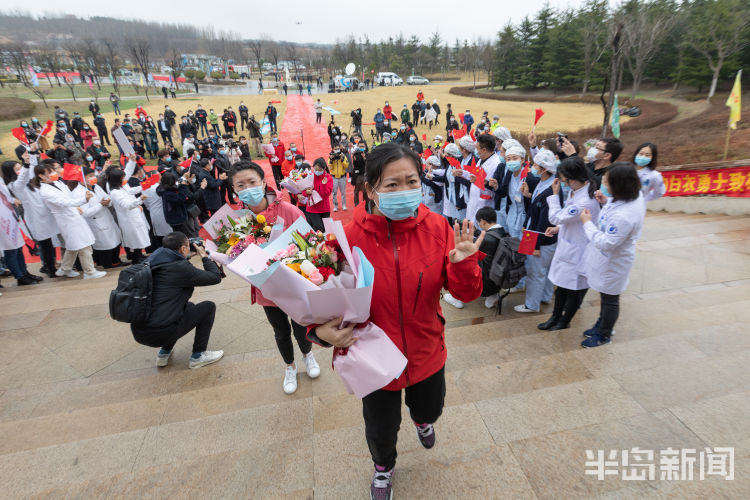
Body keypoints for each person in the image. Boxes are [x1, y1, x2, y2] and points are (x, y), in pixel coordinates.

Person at [308, 143, 484, 500]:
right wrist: (318, 332)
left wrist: (464, 264)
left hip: (426, 349)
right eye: (392, 185)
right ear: (371, 189)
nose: (404, 192)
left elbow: (464, 295)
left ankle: (423, 421)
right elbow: (319, 296)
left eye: (412, 182)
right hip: (372, 357)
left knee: (429, 407)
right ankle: (383, 468)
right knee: (381, 427)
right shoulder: (344, 239)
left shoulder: (438, 228)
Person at [229, 161, 321, 393]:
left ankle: (307, 355)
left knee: (301, 326)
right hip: (266, 289)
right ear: (234, 190)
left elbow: (310, 243)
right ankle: (289, 367)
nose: (247, 188)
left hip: (294, 283)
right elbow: (233, 252)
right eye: (240, 185)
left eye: (252, 182)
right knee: (280, 331)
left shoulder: (289, 210)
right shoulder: (237, 220)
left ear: (263, 182)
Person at [131, 231, 224, 369]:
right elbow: (215, 277)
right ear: (182, 249)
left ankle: (163, 354)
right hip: (161, 333)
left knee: (187, 307)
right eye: (188, 245)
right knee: (208, 307)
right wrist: (204, 256)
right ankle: (198, 356)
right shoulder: (180, 268)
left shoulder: (152, 261)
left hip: (139, 330)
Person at [579, 162, 645, 348]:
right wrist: (605, 201)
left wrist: (587, 223)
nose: (604, 185)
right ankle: (601, 324)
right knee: (606, 296)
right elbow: (616, 208)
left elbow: (606, 243)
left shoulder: (625, 216)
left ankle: (604, 334)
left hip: (613, 260)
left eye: (607, 183)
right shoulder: (633, 196)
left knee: (610, 299)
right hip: (609, 258)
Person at [538, 157, 601, 331]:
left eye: (564, 177)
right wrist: (559, 228)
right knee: (562, 288)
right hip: (569, 245)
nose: (562, 181)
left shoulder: (584, 201)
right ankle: (555, 318)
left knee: (572, 290)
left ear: (572, 178)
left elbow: (556, 216)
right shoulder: (578, 191)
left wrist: (554, 195)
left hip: (578, 251)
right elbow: (568, 220)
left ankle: (564, 322)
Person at [38, 159, 107, 280]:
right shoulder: (45, 190)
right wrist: (83, 200)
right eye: (51, 172)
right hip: (66, 219)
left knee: (74, 245)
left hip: (73, 215)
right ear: (41, 176)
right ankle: (89, 271)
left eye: (54, 170)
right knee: (83, 244)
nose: (55, 172)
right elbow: (63, 202)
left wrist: (77, 206)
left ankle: (65, 268)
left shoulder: (57, 183)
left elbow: (68, 197)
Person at [514, 150, 558, 314]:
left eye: (535, 165)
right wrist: (528, 195)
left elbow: (545, 221)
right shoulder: (543, 182)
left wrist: (537, 245)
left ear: (544, 169)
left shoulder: (551, 189)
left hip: (539, 237)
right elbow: (536, 206)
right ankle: (545, 296)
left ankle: (532, 305)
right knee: (543, 270)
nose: (532, 168)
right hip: (531, 231)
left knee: (536, 272)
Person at [7, 150, 60, 278]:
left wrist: (32, 153)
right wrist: (25, 165)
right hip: (36, 217)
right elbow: (24, 176)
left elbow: (32, 169)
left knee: (51, 243)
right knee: (45, 244)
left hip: (45, 213)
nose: (20, 170)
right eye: (17, 169)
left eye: (20, 168)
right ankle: (50, 269)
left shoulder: (30, 181)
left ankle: (52, 265)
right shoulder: (14, 185)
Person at [78, 166, 123, 268]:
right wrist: (100, 204)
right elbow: (85, 213)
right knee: (105, 245)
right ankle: (106, 263)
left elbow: (107, 197)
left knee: (115, 241)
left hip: (107, 218)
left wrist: (108, 202)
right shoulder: (81, 192)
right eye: (90, 176)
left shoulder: (96, 187)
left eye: (94, 175)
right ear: (82, 178)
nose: (93, 177)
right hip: (96, 221)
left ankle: (115, 261)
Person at [0, 169, 39, 286]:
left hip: (10, 216)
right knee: (11, 250)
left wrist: (12, 202)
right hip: (3, 222)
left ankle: (24, 273)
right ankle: (19, 276)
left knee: (18, 248)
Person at [107, 166, 150, 264]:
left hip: (134, 216)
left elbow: (131, 191)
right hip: (128, 219)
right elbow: (126, 205)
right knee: (134, 239)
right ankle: (136, 259)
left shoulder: (122, 188)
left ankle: (139, 256)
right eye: (122, 178)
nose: (124, 180)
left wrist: (146, 184)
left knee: (139, 237)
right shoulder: (115, 192)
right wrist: (140, 200)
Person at [474, 207, 507, 308]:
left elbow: (474, 244)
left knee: (462, 263)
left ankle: (457, 298)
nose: (478, 225)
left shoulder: (487, 239)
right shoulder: (502, 231)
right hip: (498, 278)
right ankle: (492, 296)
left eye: (478, 222)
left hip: (486, 282)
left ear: (483, 222)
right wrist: (476, 232)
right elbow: (488, 238)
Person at [304, 157, 333, 231]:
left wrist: (323, 185)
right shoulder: (310, 176)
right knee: (318, 229)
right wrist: (306, 192)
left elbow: (326, 194)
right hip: (312, 208)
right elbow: (303, 191)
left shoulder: (328, 178)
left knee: (326, 229)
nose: (317, 172)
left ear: (324, 169)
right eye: (315, 169)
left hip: (324, 208)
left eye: (319, 170)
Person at [329, 144, 349, 212]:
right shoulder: (331, 157)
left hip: (342, 177)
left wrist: (342, 159)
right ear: (333, 149)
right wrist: (331, 160)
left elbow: (346, 166)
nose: (337, 150)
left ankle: (344, 205)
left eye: (338, 148)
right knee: (334, 193)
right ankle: (335, 206)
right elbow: (330, 167)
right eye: (335, 149)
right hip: (334, 177)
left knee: (343, 192)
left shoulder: (343, 156)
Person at [351, 141, 368, 206]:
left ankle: (365, 204)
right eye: (360, 146)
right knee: (356, 191)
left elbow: (368, 165)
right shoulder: (356, 154)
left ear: (365, 146)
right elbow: (355, 165)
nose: (361, 148)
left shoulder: (368, 154)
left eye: (362, 146)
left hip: (365, 175)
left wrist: (364, 158)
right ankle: (356, 205)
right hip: (358, 175)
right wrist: (354, 159)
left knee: (365, 191)